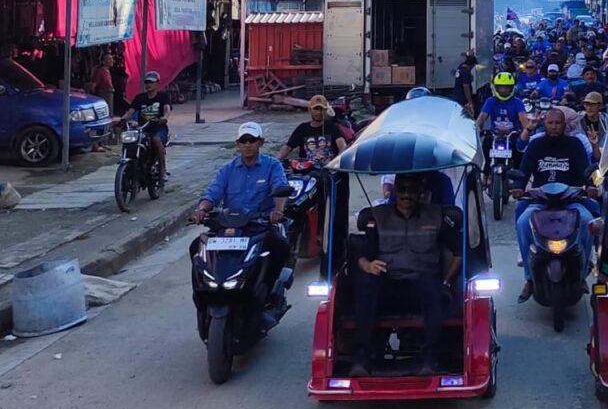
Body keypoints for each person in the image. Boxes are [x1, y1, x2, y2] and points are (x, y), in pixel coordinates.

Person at [348, 173, 463, 376]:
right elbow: (361, 255)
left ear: (421, 192)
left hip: (422, 287)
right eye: (402, 189)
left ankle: (430, 359)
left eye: (412, 190)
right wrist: (368, 266)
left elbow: (459, 252)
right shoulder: (378, 217)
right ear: (395, 191)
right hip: (388, 285)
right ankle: (361, 359)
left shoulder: (436, 217)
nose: (406, 195)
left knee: (431, 286)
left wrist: (446, 282)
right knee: (367, 284)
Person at [192, 123, 292, 309]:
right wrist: (202, 209)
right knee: (196, 247)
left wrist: (277, 211)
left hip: (259, 225)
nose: (247, 145)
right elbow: (212, 193)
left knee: (281, 246)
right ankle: (202, 296)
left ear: (260, 142)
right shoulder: (227, 169)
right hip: (230, 227)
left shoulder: (272, 165)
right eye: (243, 141)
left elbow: (280, 188)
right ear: (237, 143)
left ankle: (269, 291)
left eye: (252, 140)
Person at [512, 108, 598, 303]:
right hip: (540, 201)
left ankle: (582, 275)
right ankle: (529, 278)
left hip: (571, 200)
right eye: (550, 123)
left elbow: (585, 170)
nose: (554, 127)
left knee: (588, 221)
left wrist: (591, 186)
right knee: (523, 222)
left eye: (558, 123)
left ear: (564, 125)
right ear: (545, 124)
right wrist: (518, 187)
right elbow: (524, 170)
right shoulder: (536, 145)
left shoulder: (574, 144)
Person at [277, 94, 349, 277]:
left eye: (321, 109)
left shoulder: (332, 128)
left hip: (326, 175)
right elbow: (287, 147)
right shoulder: (302, 129)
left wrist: (335, 162)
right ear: (310, 110)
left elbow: (342, 146)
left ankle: (323, 233)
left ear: (325, 111)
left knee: (327, 201)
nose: (318, 112)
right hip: (305, 175)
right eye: (315, 109)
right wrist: (275, 162)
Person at [477, 72, 528, 180]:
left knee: (519, 152)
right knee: (486, 145)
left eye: (506, 87)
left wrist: (525, 130)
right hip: (494, 135)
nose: (504, 90)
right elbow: (482, 117)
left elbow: (524, 119)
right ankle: (486, 175)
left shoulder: (517, 102)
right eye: (501, 87)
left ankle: (517, 179)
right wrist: (477, 129)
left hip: (512, 135)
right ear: (496, 88)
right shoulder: (490, 101)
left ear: (512, 88)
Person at [121, 71, 170, 181]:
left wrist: (165, 117)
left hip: (158, 127)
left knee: (156, 140)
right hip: (142, 128)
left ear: (157, 83)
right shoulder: (139, 98)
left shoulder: (163, 97)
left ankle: (162, 170)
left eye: (151, 82)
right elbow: (130, 112)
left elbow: (166, 109)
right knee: (130, 142)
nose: (148, 85)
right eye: (147, 82)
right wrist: (122, 119)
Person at [452, 49, 477, 118]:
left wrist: (471, 54)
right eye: (473, 66)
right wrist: (470, 102)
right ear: (471, 65)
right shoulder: (465, 72)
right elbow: (466, 88)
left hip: (456, 94)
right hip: (462, 98)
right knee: (464, 115)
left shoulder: (461, 66)